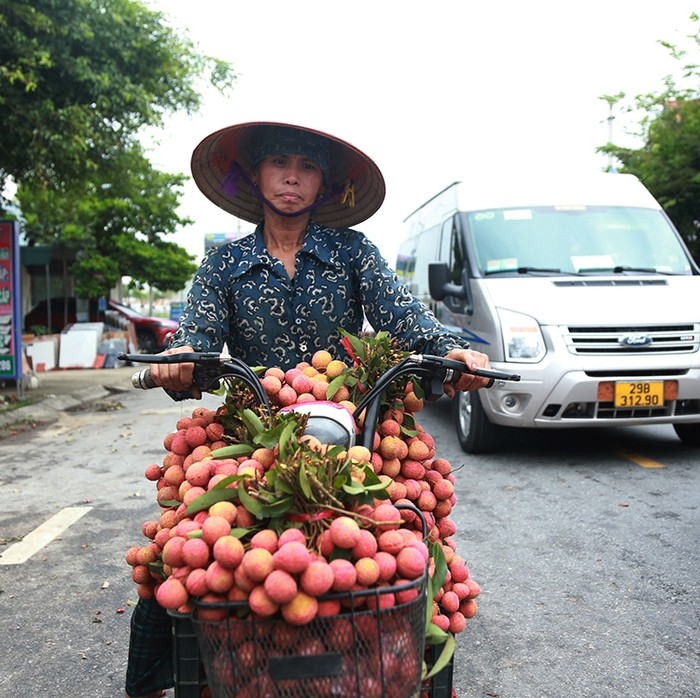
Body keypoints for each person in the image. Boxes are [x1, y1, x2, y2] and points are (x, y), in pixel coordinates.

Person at [125, 121, 493, 698]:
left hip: (351, 426)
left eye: (307, 165)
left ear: (323, 183)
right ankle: (156, 675)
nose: (292, 175)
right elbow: (195, 338)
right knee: (175, 540)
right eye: (278, 162)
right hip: (255, 434)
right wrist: (178, 360)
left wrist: (450, 351)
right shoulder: (224, 264)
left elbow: (408, 320)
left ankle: (418, 670)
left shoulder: (353, 253)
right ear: (256, 175)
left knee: (419, 530)